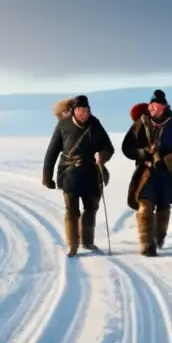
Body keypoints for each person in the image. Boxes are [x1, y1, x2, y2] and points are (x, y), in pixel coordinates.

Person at [122, 89, 172, 256]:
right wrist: (143, 154)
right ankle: (147, 244)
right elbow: (126, 147)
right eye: (151, 105)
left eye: (157, 106)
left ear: (165, 107)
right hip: (145, 173)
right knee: (145, 206)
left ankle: (159, 239)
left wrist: (171, 160)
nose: (153, 108)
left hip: (165, 174)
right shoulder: (140, 123)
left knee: (164, 207)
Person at [43, 94, 115, 256]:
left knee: (91, 208)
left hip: (91, 173)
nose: (84, 113)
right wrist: (47, 177)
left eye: (87, 110)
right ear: (73, 110)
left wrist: (102, 156)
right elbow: (52, 152)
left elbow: (109, 147)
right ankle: (73, 245)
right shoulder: (63, 125)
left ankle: (88, 241)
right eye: (81, 110)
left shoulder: (95, 125)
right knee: (71, 210)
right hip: (69, 173)